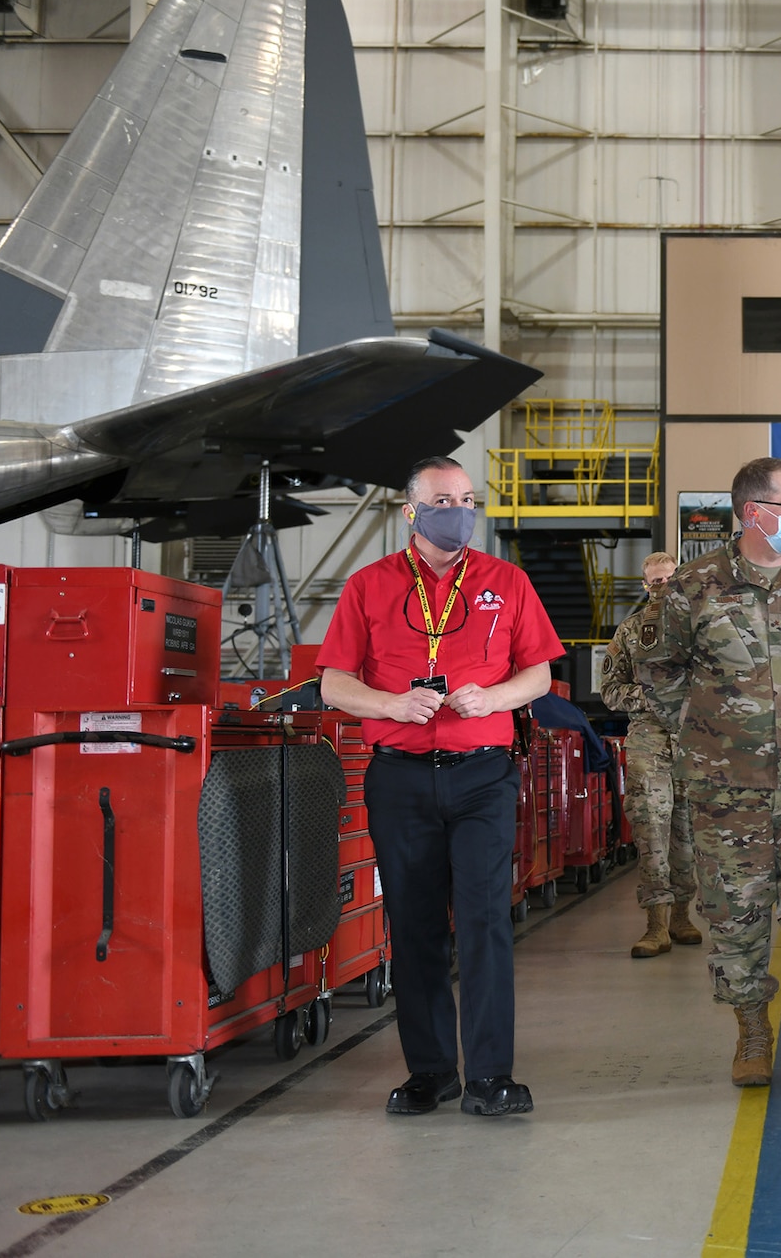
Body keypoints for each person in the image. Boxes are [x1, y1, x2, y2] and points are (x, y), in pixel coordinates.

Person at [317, 456, 564, 1117]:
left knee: (485, 922)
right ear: (412, 511)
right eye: (444, 499)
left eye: (467, 499)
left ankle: (489, 1075)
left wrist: (494, 699)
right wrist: (389, 705)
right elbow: (332, 683)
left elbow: (537, 675)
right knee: (415, 925)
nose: (459, 509)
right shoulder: (368, 586)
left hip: (482, 775)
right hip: (399, 778)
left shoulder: (505, 582)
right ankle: (430, 1070)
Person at [636, 458, 781, 1087]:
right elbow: (659, 673)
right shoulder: (695, 585)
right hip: (726, 788)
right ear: (752, 512)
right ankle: (751, 1037)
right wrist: (702, 737)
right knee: (737, 914)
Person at [599, 551, 702, 958]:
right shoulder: (628, 632)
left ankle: (681, 916)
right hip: (648, 739)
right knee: (650, 830)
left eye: (668, 579)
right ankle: (655, 925)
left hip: (693, 741)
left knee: (687, 832)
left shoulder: (701, 628)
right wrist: (649, 696)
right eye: (654, 582)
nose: (661, 587)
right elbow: (609, 690)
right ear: (645, 586)